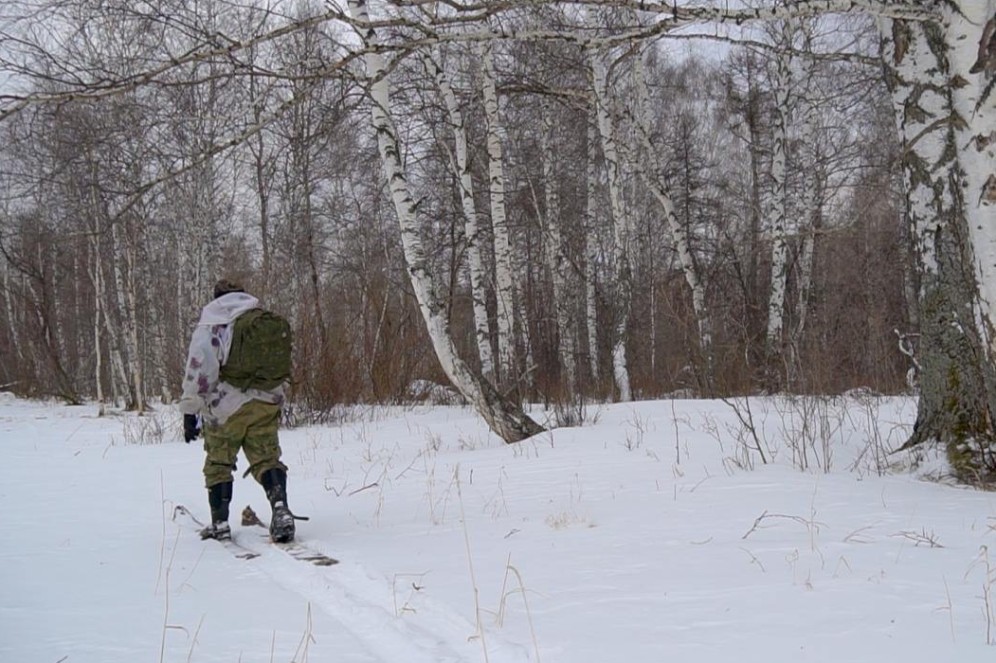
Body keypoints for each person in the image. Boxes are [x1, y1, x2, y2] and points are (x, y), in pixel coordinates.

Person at [179, 279, 295, 543]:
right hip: (267, 401)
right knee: (267, 458)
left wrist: (190, 410)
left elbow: (200, 370)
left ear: (217, 297)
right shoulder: (260, 319)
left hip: (226, 406)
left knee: (219, 462)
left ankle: (220, 523)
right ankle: (280, 508)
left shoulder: (213, 324)